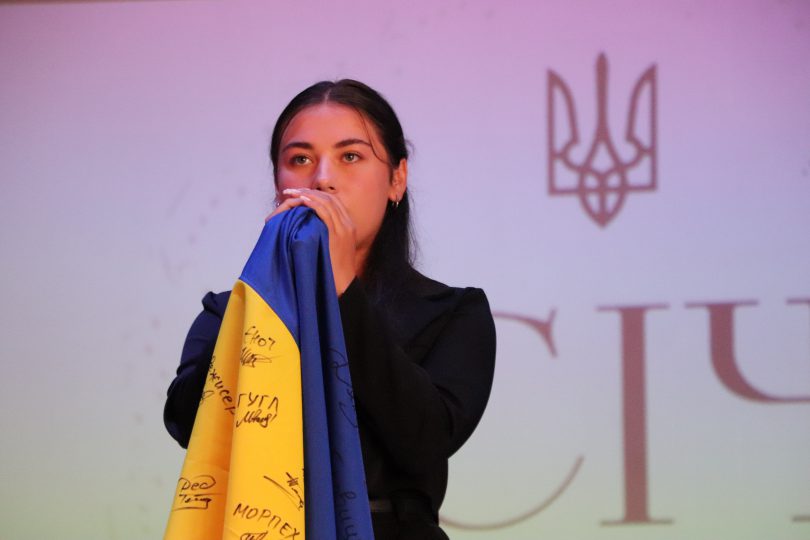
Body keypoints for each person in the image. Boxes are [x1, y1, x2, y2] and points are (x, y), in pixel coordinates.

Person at [164, 79, 496, 539]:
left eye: (350, 156)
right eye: (300, 160)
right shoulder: (229, 313)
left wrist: (343, 290)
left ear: (397, 179)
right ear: (279, 185)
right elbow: (187, 423)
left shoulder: (452, 313)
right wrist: (265, 289)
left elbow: (427, 441)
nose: (321, 179)